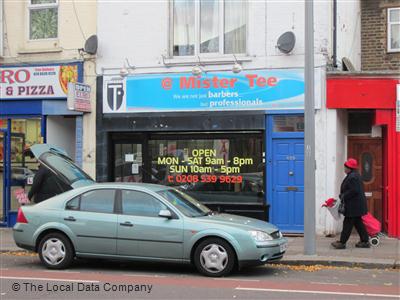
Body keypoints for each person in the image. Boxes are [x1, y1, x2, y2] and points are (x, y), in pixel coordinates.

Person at [331, 158, 370, 249]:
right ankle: (365, 241)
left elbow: (354, 190)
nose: (344, 169)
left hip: (353, 206)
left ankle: (342, 243)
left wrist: (343, 195)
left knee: (347, 223)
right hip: (356, 205)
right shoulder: (354, 175)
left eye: (345, 167)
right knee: (358, 223)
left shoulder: (352, 177)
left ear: (349, 168)